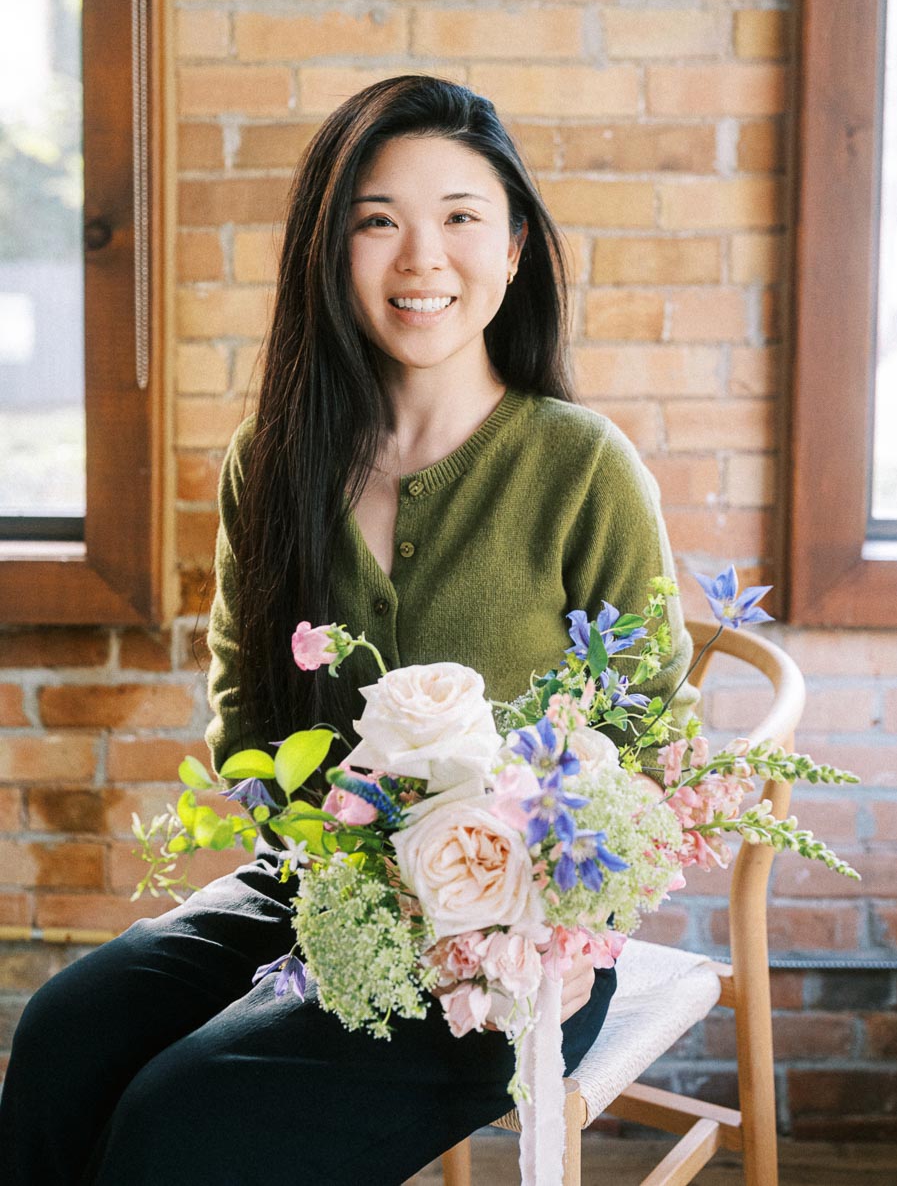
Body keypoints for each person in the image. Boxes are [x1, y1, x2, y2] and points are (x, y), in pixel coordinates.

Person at [0, 75, 695, 1185]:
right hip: (312, 896)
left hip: (505, 956)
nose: (423, 259)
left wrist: (571, 932)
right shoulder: (273, 462)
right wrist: (333, 854)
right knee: (62, 1040)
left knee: (178, 1125)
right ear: (331, 252)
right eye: (379, 221)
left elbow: (656, 744)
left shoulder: (581, 466)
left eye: (462, 218)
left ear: (513, 250)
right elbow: (248, 717)